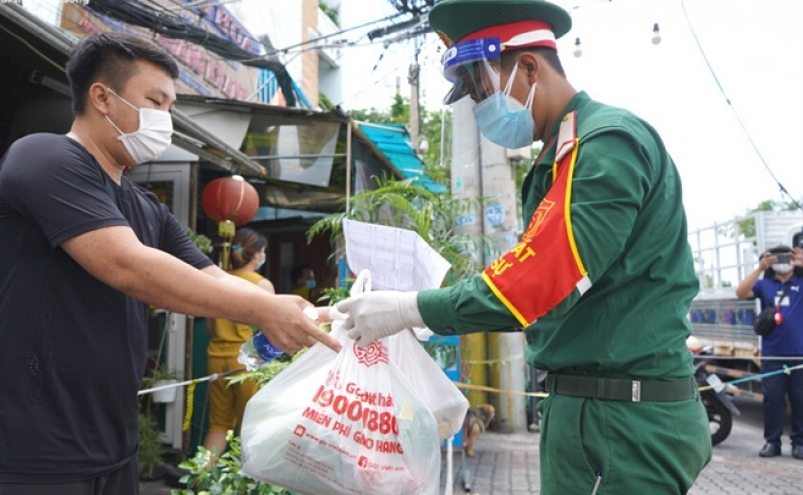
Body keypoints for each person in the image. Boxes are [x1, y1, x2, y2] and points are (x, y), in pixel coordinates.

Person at [334, 1, 712, 493]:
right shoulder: (560, 156)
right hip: (599, 409)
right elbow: (538, 279)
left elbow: (538, 278)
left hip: (622, 419)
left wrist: (411, 309)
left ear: (528, 66)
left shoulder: (604, 145)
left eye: (481, 89)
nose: (478, 107)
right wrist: (427, 309)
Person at [0, 32, 339, 495]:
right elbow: (127, 265)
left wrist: (313, 316)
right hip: (24, 454)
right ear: (102, 98)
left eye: (171, 108)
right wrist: (263, 313)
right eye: (154, 101)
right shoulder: (43, 157)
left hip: (113, 449)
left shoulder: (146, 207)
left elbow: (209, 277)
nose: (164, 120)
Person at [202, 228, 273, 457]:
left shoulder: (218, 280)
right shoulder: (261, 284)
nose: (263, 256)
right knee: (250, 425)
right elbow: (270, 330)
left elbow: (210, 327)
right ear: (256, 255)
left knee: (219, 425)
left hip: (216, 358)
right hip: (246, 363)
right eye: (263, 251)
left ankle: (199, 482)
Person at [735, 245, 803, 459]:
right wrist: (759, 267)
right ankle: (772, 442)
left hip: (799, 355)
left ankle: (799, 443)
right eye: (776, 258)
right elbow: (741, 292)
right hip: (772, 354)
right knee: (772, 400)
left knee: (800, 400)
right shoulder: (765, 284)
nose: (782, 261)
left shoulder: (800, 282)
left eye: (787, 257)